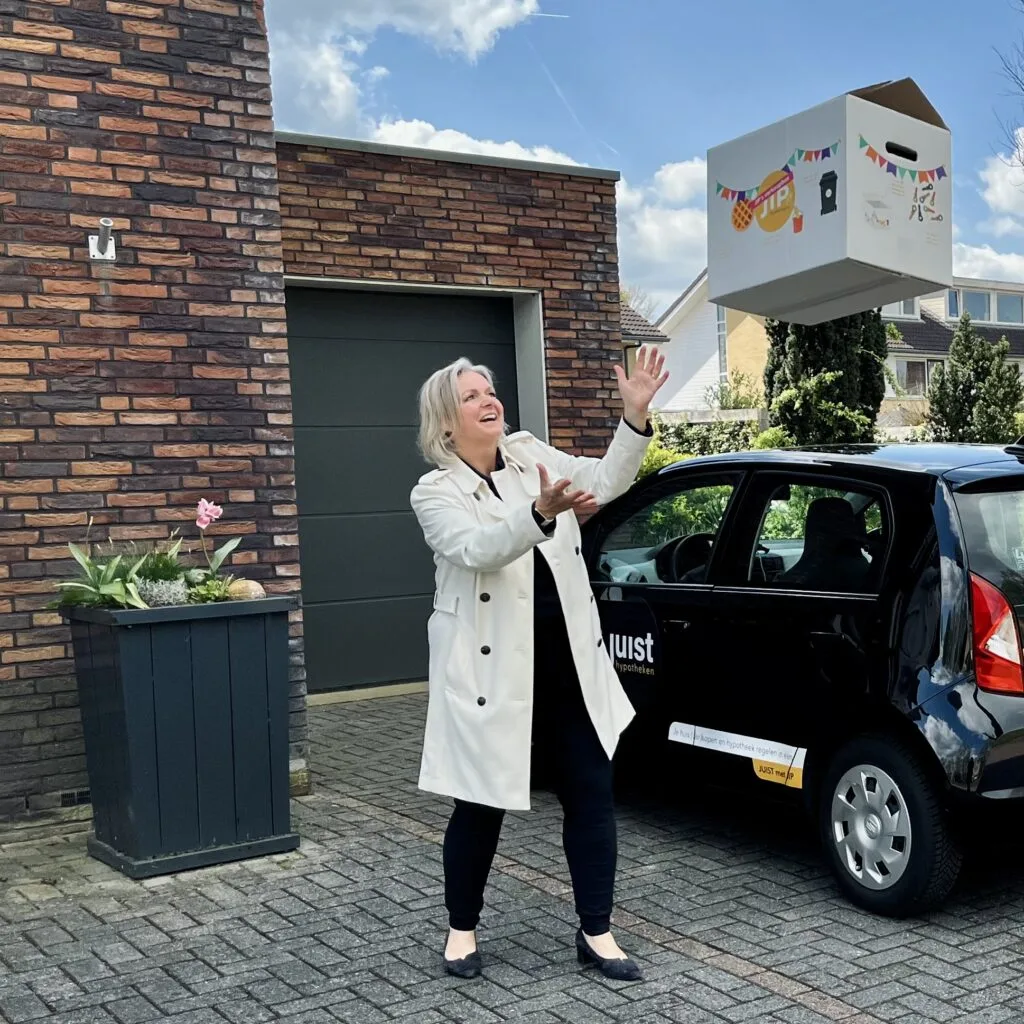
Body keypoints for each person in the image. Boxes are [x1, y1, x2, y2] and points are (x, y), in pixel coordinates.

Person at [409, 346, 668, 982]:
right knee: (480, 804)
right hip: (492, 675)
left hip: (567, 665)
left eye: (489, 390)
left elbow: (604, 481)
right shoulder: (435, 492)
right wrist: (539, 514)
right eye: (471, 396)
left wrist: (634, 417)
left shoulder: (529, 454)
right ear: (446, 423)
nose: (489, 400)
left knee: (591, 794)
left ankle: (597, 932)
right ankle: (462, 929)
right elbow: (477, 548)